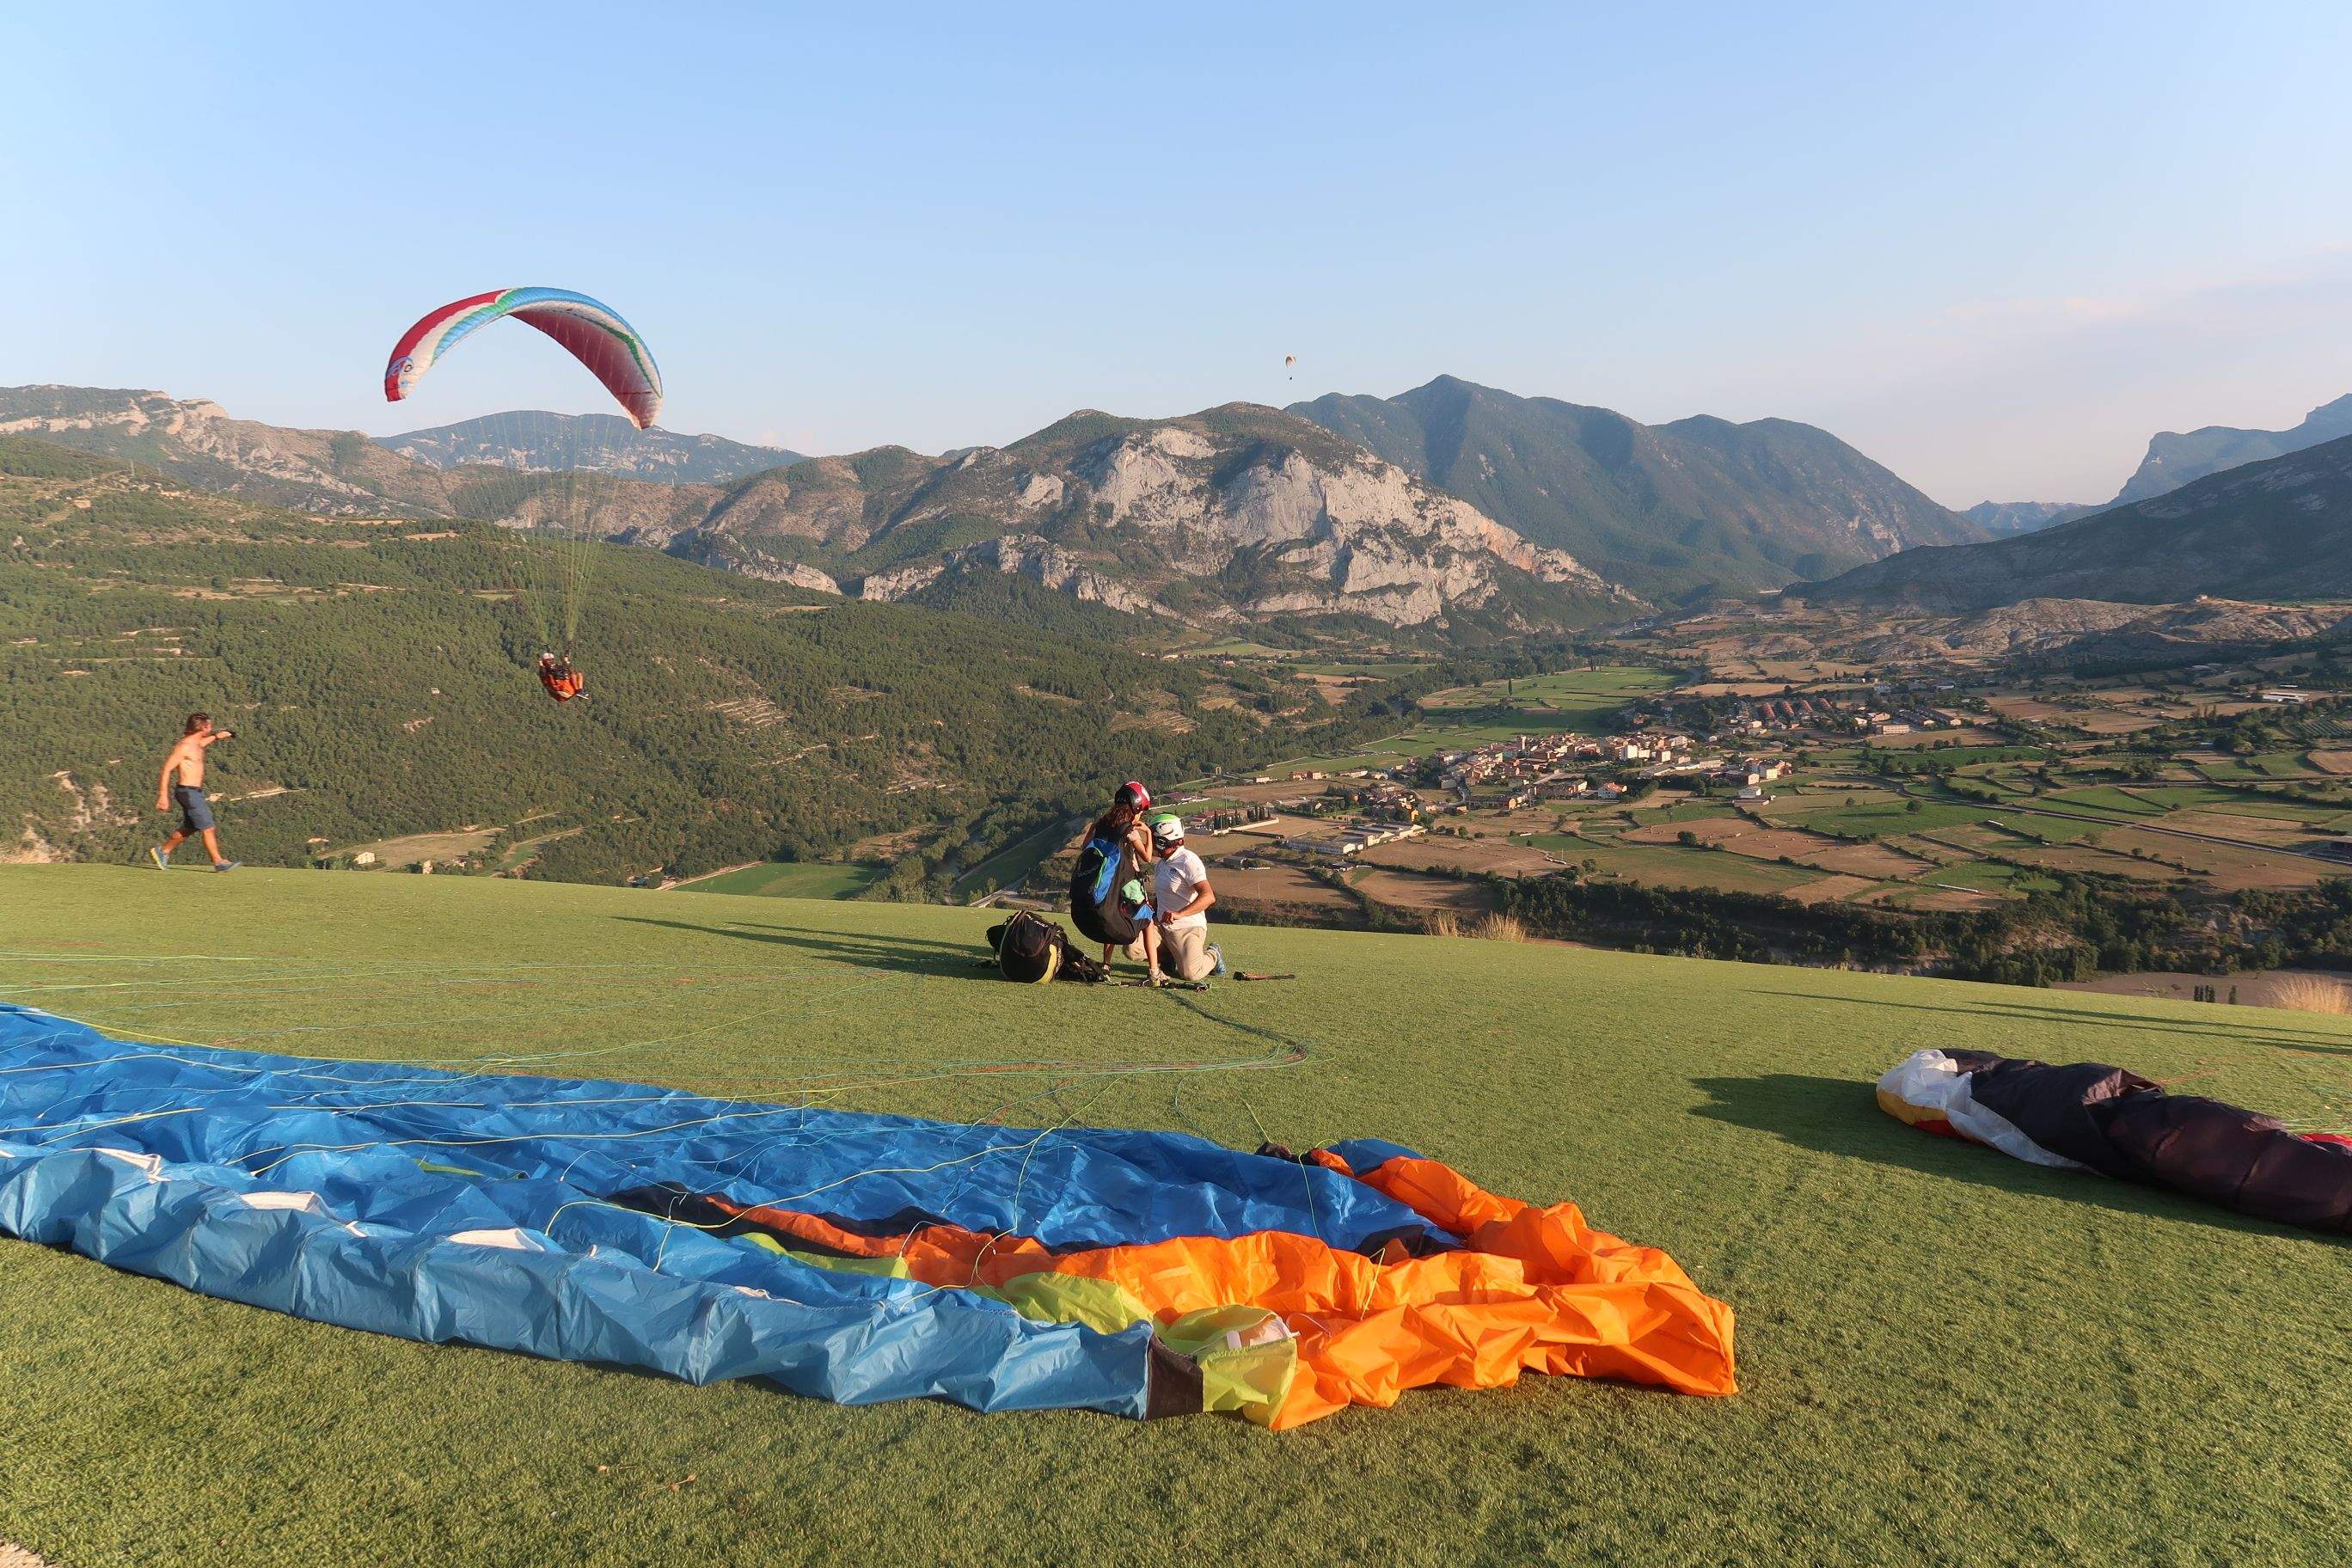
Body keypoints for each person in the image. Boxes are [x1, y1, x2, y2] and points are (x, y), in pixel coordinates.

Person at [1083, 780, 1162, 980]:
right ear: (1135, 806)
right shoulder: (1129, 830)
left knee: (1110, 913)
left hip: (1106, 882)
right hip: (1128, 884)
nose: (1141, 815)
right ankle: (1154, 972)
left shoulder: (1101, 824)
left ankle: (1106, 965)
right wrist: (1147, 834)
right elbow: (1146, 856)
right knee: (1147, 921)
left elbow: (1085, 847)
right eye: (1141, 810)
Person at [150, 713, 239, 872]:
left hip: (194, 792)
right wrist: (163, 796)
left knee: (190, 827)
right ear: (203, 727)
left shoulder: (196, 743)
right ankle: (219, 862)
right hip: (188, 792)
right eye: (209, 726)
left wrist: (218, 737)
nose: (211, 728)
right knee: (208, 827)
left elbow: (203, 743)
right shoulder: (184, 746)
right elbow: (166, 770)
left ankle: (162, 851)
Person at [1148, 816, 1224, 983]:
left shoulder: (1188, 861)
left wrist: (1180, 914)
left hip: (1188, 927)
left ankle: (1213, 954)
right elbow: (1161, 896)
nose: (1150, 843)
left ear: (1163, 840)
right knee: (1132, 949)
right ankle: (1170, 958)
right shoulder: (1161, 864)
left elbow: (1208, 897)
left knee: (1191, 974)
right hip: (1162, 928)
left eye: (1153, 838)